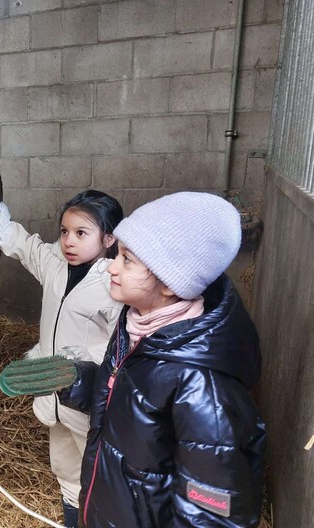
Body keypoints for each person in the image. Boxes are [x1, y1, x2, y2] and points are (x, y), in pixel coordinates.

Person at [59, 192, 266, 527]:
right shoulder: (138, 325)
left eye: (127, 259)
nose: (112, 266)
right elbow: (133, 402)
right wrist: (78, 381)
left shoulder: (202, 389)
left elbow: (212, 516)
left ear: (170, 283)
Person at [0, 179, 124, 528]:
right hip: (54, 391)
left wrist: (82, 362)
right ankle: (73, 519)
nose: (69, 240)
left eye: (82, 233)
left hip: (89, 398)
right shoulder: (54, 264)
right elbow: (20, 243)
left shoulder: (112, 284)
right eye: (64, 231)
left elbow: (122, 343)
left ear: (108, 239)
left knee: (100, 469)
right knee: (64, 467)